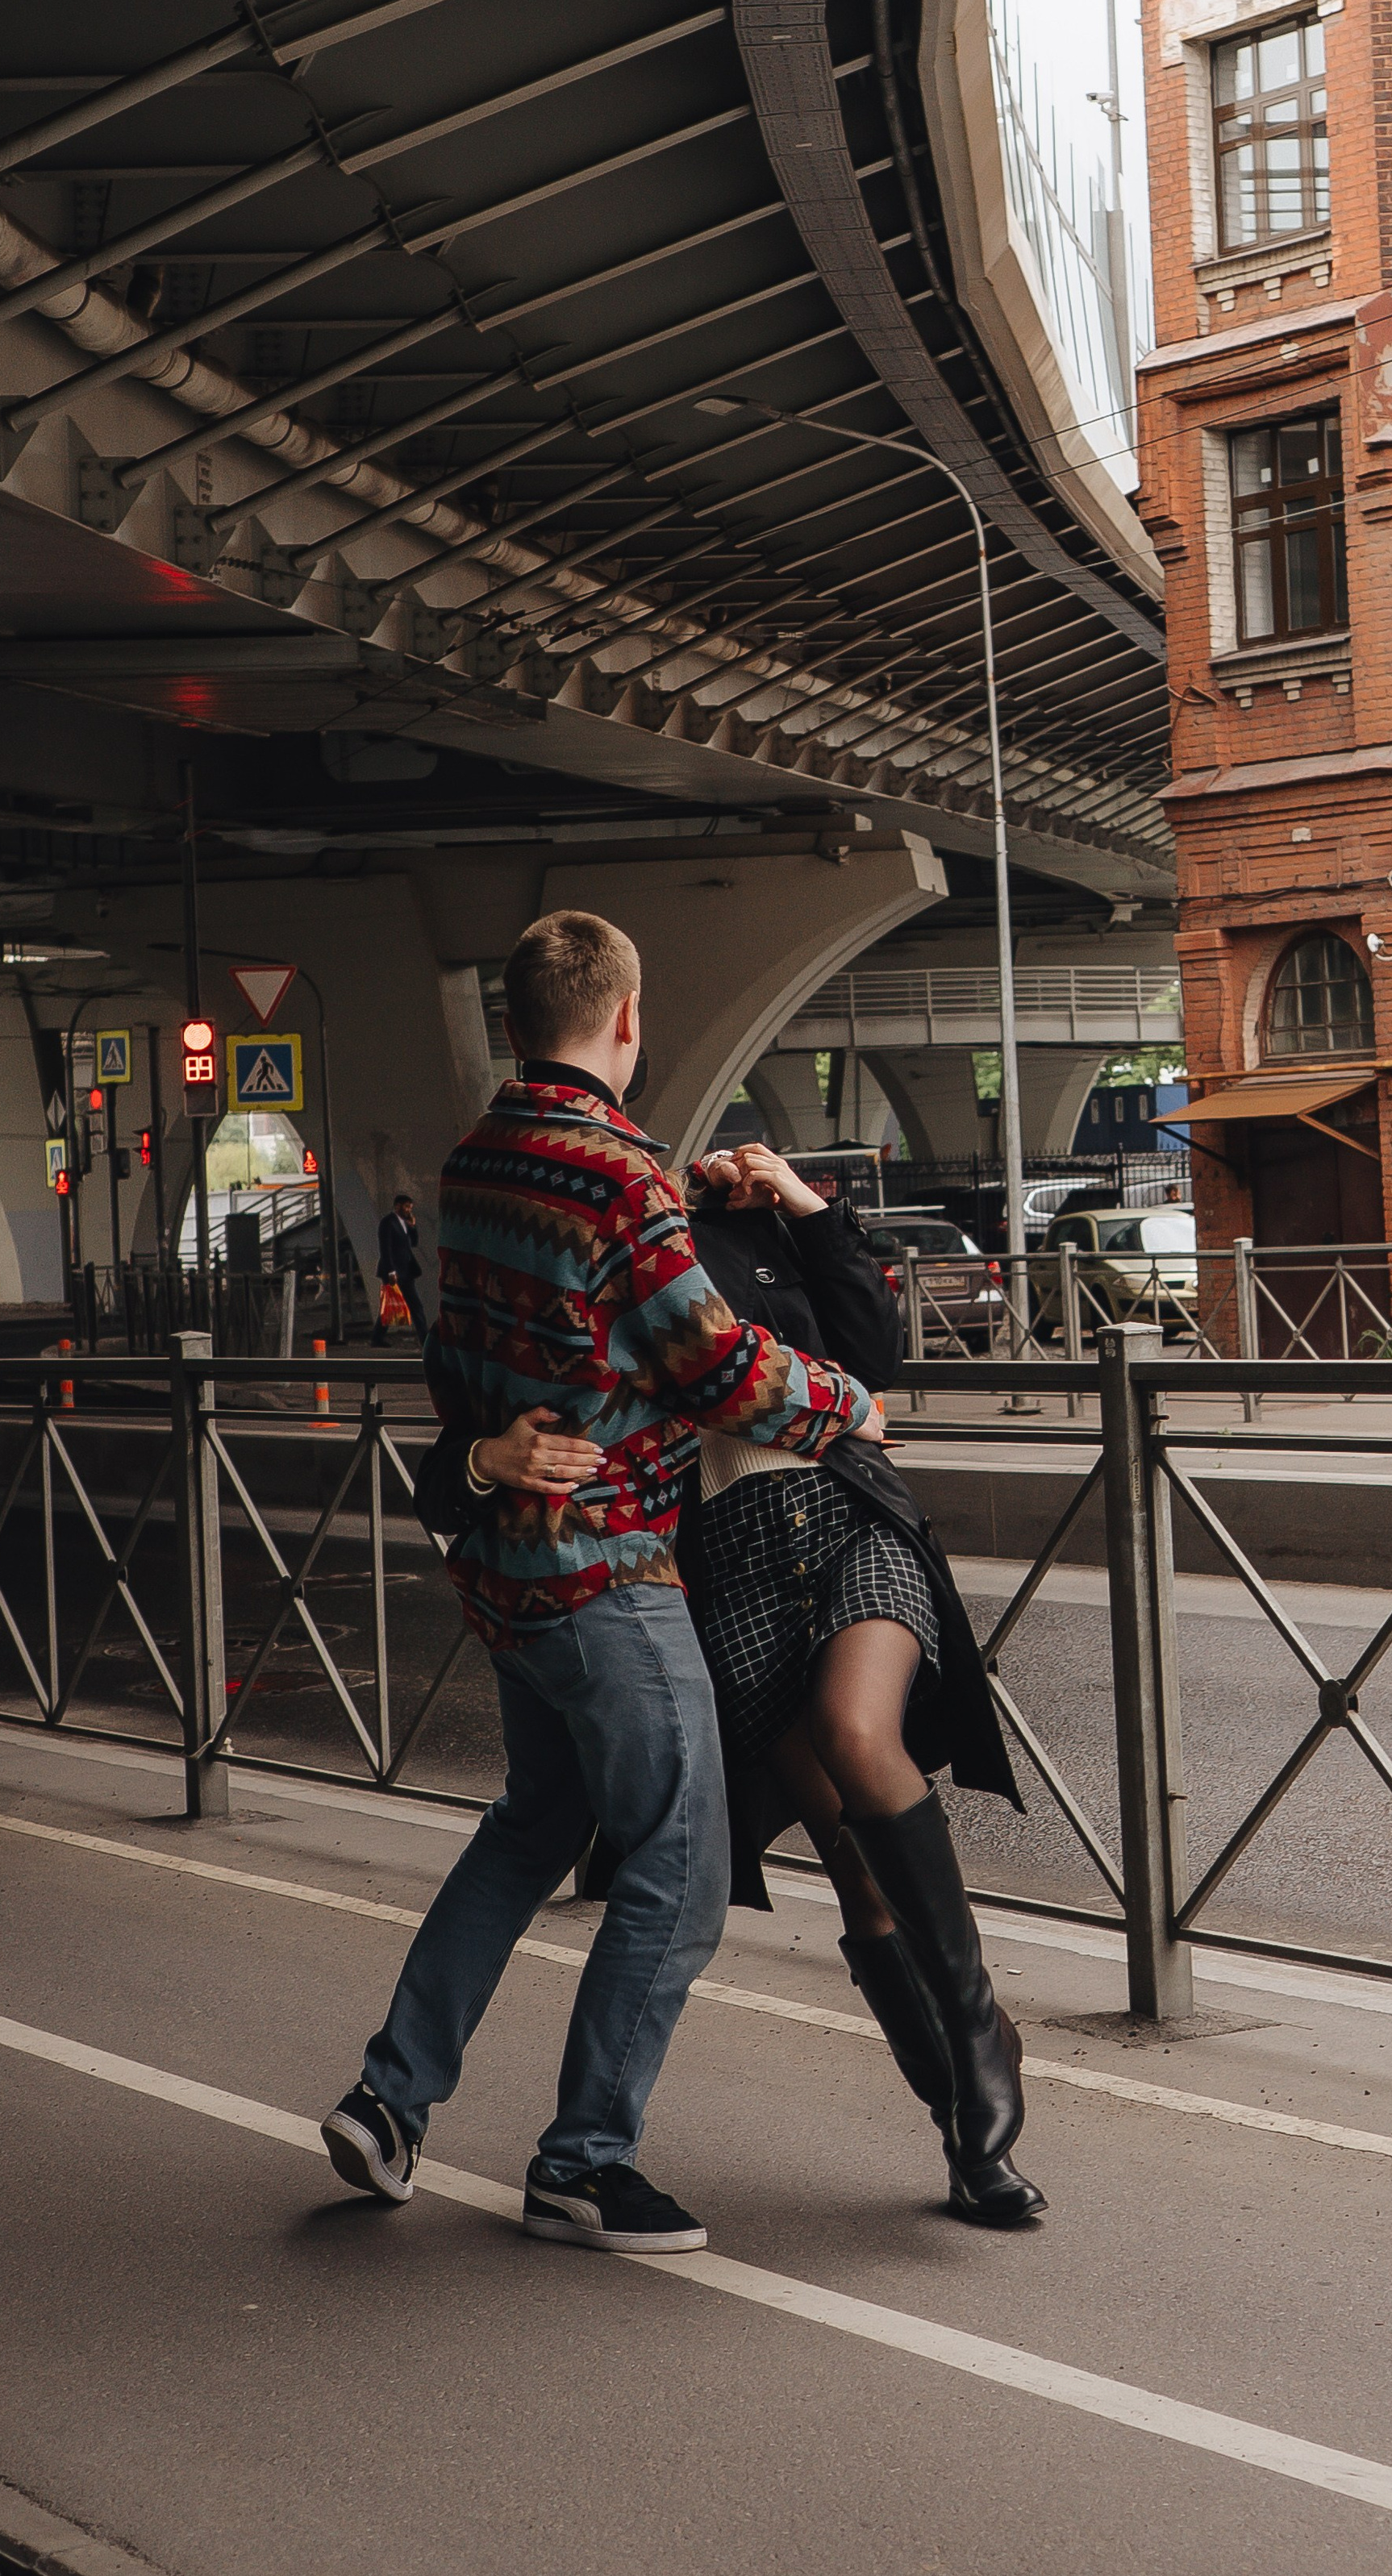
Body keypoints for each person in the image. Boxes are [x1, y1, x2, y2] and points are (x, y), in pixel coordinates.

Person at [319, 910, 873, 2256]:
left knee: (534, 1823)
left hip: (509, 1571)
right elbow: (714, 1366)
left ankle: (389, 2103)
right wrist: (843, 1401)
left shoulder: (479, 1161)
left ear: (517, 1023)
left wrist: (495, 1440)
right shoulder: (620, 1175)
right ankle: (583, 2161)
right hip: (605, 1572)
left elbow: (458, 1367)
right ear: (626, 1019)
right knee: (679, 1869)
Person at [672, 1142, 1041, 2225]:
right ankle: (972, 2144)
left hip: (845, 1520)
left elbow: (875, 1354)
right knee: (852, 1866)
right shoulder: (650, 1257)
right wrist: (837, 1400)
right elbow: (718, 1391)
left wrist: (806, 1207)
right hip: (731, 1563)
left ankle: (975, 2026)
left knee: (855, 1727)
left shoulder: (777, 1235)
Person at [373, 1192, 423, 1343]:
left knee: (400, 1305)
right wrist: (391, 1271)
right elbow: (385, 1247)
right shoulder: (388, 1222)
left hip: (406, 1270)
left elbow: (413, 1243)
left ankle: (377, 1338)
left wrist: (413, 1227)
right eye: (406, 1207)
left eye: (410, 1207)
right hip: (393, 1271)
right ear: (397, 1206)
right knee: (402, 1304)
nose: (409, 1210)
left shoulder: (405, 1223)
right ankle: (425, 1338)